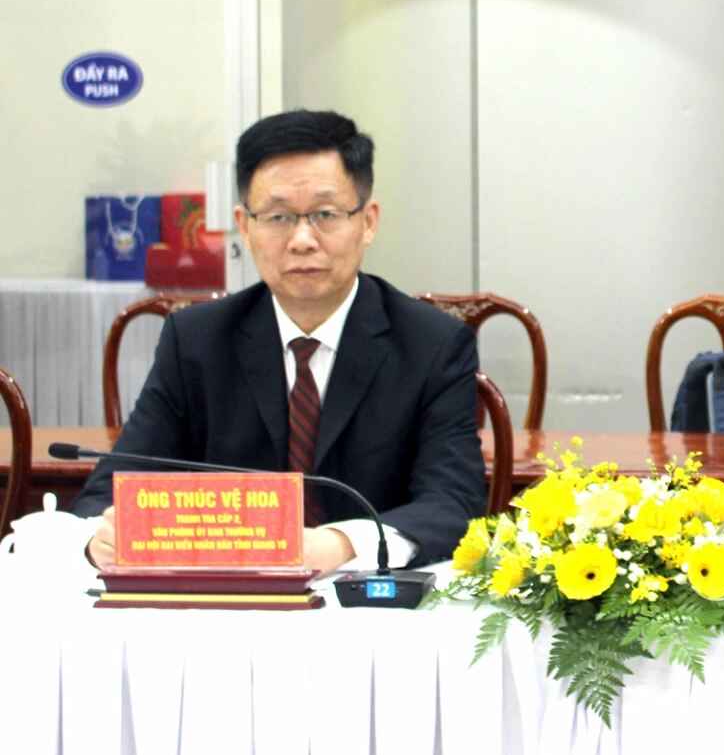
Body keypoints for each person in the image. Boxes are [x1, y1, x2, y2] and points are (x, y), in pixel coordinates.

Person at [72, 110, 485, 573]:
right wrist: (99, 540)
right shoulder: (196, 340)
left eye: (325, 214)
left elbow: (453, 505)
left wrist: (338, 544)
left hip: (366, 611)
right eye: (278, 217)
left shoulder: (432, 344)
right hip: (223, 607)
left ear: (368, 221)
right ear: (244, 226)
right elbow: (109, 492)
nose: (303, 239)